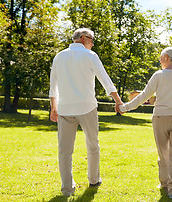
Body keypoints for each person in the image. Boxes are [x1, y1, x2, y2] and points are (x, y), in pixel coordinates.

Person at [49, 28, 123, 196]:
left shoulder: (59, 56)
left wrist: (54, 106)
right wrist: (118, 101)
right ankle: (94, 179)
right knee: (92, 145)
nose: (93, 43)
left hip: (65, 109)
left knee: (64, 150)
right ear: (82, 39)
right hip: (87, 108)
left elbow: (53, 84)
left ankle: (67, 189)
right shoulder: (91, 56)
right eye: (91, 39)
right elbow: (105, 80)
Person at [117, 47, 172, 199]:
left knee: (163, 154)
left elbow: (143, 96)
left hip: (160, 118)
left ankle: (164, 184)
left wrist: (125, 108)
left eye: (161, 58)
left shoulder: (158, 75)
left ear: (166, 57)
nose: (159, 61)